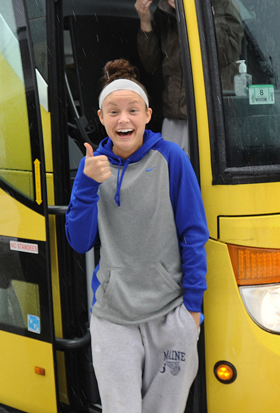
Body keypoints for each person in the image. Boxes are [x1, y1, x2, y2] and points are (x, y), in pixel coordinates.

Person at [65, 59, 208, 413]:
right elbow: (79, 242)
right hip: (113, 317)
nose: (123, 119)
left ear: (148, 114)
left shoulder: (171, 158)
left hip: (170, 313)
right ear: (101, 117)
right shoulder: (93, 168)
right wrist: (85, 185)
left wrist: (192, 308)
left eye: (132, 110)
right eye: (113, 112)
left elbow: (193, 234)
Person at [135, 0, 243, 153]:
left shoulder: (218, 0)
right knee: (174, 179)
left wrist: (192, 12)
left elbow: (226, 52)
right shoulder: (163, 13)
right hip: (174, 118)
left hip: (211, 114)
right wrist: (145, 23)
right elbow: (151, 65)